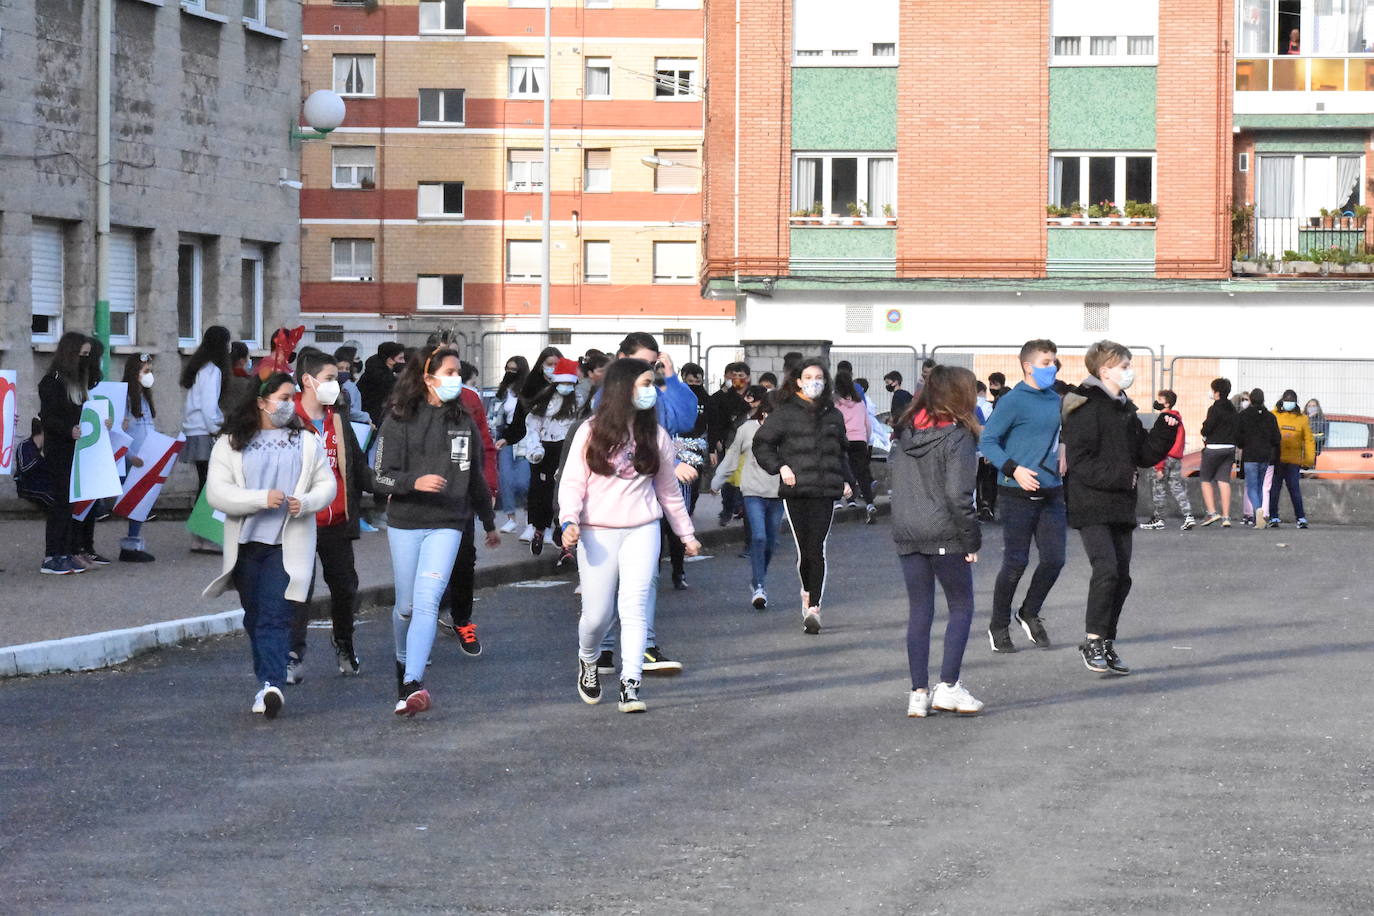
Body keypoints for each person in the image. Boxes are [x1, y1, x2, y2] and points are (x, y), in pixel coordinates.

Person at [558, 358, 701, 714]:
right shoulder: (590, 431)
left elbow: (668, 491)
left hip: (643, 529)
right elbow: (572, 483)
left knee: (635, 607)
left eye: (653, 383)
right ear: (623, 388)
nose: (652, 391)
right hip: (597, 531)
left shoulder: (656, 435)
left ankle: (630, 685)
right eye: (646, 383)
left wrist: (686, 534)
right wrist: (568, 521)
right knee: (597, 615)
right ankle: (588, 657)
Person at [372, 346, 499, 716]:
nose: (457, 379)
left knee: (427, 600)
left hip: (449, 522)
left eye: (458, 372)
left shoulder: (464, 421)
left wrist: (488, 521)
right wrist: (413, 482)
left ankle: (414, 682)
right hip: (406, 521)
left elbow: (475, 476)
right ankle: (403, 662)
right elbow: (378, 476)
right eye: (449, 372)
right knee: (406, 607)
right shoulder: (398, 418)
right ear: (428, 378)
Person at [203, 372, 337, 719]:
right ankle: (267, 679)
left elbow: (327, 484)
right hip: (246, 545)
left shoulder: (305, 441)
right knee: (255, 616)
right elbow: (217, 493)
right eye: (283, 398)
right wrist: (260, 498)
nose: (290, 405)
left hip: (286, 545)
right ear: (261, 402)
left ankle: (271, 684)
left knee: (275, 615)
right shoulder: (231, 443)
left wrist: (305, 503)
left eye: (293, 398)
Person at [1061, 340, 1178, 676]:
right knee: (1107, 570)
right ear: (1105, 370)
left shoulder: (1124, 407)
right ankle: (1093, 641)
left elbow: (1142, 454)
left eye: (1130, 365)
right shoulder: (1085, 406)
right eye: (1124, 366)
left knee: (1122, 577)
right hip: (1090, 502)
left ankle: (1107, 641)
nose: (1130, 371)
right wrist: (1122, 476)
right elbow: (1080, 461)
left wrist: (1164, 431)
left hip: (1120, 504)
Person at [889, 366, 984, 718]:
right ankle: (949, 685)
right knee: (961, 606)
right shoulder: (959, 437)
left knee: (920, 611)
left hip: (907, 530)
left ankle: (918, 693)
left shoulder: (905, 431)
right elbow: (959, 495)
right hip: (945, 531)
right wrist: (971, 540)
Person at [284, 349, 374, 682]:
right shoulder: (287, 417)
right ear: (308, 381)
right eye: (331, 378)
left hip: (336, 520)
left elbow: (358, 466)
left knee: (345, 587)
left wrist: (391, 488)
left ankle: (344, 642)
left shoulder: (338, 419)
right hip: (299, 520)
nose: (338, 384)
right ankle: (293, 655)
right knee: (298, 589)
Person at [752, 358, 856, 635]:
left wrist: (848, 480)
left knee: (817, 547)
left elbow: (841, 452)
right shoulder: (784, 413)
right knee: (805, 550)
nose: (814, 382)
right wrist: (781, 467)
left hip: (826, 489)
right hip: (796, 489)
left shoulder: (834, 415)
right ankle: (806, 591)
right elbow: (762, 444)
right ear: (798, 381)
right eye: (808, 377)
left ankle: (814, 607)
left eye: (818, 377)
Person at [977, 339, 1066, 654]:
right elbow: (988, 441)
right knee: (1016, 562)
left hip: (1052, 491)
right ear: (1028, 366)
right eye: (1046, 362)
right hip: (1016, 493)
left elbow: (1059, 433)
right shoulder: (1012, 400)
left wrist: (1063, 450)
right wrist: (1013, 469)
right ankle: (998, 625)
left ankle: (1029, 611)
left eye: (1053, 361)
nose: (1052, 367)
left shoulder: (1055, 399)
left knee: (1055, 560)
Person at [712, 393, 780, 609]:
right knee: (758, 537)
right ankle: (759, 586)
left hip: (778, 493)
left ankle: (758, 578)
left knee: (770, 542)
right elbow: (732, 456)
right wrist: (717, 481)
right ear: (764, 412)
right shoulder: (747, 429)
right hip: (752, 491)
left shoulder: (787, 431)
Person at [37, 332, 91, 575]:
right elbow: (48, 418)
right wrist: (68, 430)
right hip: (59, 450)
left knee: (70, 504)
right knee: (60, 503)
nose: (85, 360)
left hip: (75, 449)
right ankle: (52, 555)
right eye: (82, 355)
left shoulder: (76, 382)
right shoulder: (52, 382)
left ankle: (66, 551)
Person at [522, 357, 585, 558]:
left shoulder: (579, 403)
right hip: (545, 450)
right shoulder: (544, 402)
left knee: (565, 491)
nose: (565, 387)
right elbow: (532, 427)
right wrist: (535, 448)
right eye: (562, 382)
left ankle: (562, 529)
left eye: (569, 383)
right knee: (542, 491)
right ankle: (539, 528)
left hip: (568, 449)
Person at [180, 325, 231, 495]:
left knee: (203, 480)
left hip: (194, 429)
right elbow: (208, 406)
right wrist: (216, 430)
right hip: (205, 432)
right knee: (209, 485)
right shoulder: (211, 371)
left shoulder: (199, 368)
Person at [117, 352, 158, 562]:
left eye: (150, 370)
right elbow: (119, 433)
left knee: (140, 503)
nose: (150, 375)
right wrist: (130, 456)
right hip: (130, 460)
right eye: (146, 371)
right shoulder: (124, 398)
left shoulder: (144, 397)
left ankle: (132, 544)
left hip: (145, 459)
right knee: (127, 501)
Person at [1140, 389, 1197, 532]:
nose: (1156, 402)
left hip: (1164, 457)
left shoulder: (1164, 419)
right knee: (1176, 487)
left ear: (1166, 403)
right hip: (1176, 457)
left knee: (1158, 488)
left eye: (1160, 400)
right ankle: (1188, 515)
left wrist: (1159, 466)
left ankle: (1159, 519)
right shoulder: (1176, 418)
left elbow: (1161, 444)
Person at [705, 361, 752, 525]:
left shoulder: (753, 395)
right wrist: (715, 442)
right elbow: (715, 422)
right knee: (728, 478)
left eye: (741, 375)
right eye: (734, 375)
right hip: (730, 442)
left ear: (748, 377)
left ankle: (743, 507)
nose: (737, 379)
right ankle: (728, 509)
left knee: (746, 478)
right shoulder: (722, 397)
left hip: (750, 444)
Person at [492, 355, 530, 533]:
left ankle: (530, 516)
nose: (510, 373)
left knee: (524, 481)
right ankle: (510, 517)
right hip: (505, 436)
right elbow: (494, 415)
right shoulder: (502, 392)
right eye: (507, 369)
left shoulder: (527, 391)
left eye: (514, 370)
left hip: (525, 437)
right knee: (505, 478)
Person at [833, 369, 878, 523]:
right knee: (862, 474)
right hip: (860, 440)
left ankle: (841, 500)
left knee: (840, 469)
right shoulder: (860, 403)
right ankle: (870, 504)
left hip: (842, 440)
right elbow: (868, 425)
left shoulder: (835, 404)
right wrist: (865, 440)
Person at [1197, 377, 1240, 528]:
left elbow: (1207, 428)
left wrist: (1204, 432)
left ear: (1216, 392)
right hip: (1229, 448)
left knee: (1205, 479)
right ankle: (1226, 517)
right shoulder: (1233, 409)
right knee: (1223, 480)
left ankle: (1212, 513)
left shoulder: (1214, 409)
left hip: (1213, 447)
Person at [1236, 388, 1281, 529]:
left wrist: (1243, 444)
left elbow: (1238, 437)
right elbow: (1276, 438)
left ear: (1251, 399)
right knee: (1260, 487)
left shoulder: (1244, 415)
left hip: (1250, 455)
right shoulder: (1270, 417)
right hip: (1265, 456)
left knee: (1251, 487)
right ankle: (1259, 518)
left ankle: (1258, 512)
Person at [1269, 389, 1314, 529]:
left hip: (1292, 461)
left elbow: (1309, 440)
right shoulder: (1273, 415)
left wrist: (1308, 461)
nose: (1289, 402)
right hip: (1278, 459)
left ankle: (1300, 517)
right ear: (1282, 401)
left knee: (1294, 489)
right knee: (1275, 489)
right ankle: (1274, 517)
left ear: (1295, 402)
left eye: (1291, 400)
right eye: (1287, 400)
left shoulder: (1302, 419)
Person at [357, 341, 406, 423]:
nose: (403, 362)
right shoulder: (382, 379)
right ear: (390, 360)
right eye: (400, 358)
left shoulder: (376, 372)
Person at [15, 418, 55, 511]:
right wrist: (40, 457)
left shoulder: (48, 448)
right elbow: (24, 469)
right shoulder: (25, 446)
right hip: (27, 485)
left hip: (44, 483)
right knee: (48, 496)